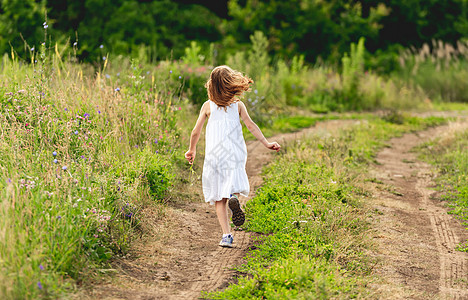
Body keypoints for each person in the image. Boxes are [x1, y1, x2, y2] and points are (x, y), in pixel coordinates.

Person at [185, 65, 281, 248]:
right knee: (231, 182)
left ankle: (226, 235)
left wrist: (192, 150)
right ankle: (233, 196)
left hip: (215, 155)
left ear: (211, 86)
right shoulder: (238, 105)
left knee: (218, 199)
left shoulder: (207, 106)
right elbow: (251, 126)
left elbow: (195, 132)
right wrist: (267, 143)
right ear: (231, 84)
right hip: (235, 153)